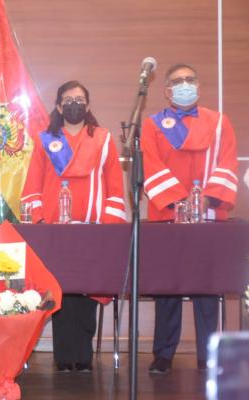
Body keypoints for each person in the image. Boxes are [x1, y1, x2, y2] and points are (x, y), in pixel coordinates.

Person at [20, 80, 127, 372]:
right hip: (55, 232)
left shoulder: (103, 139)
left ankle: (83, 356)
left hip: (93, 230)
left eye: (80, 99)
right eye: (68, 100)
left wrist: (107, 225)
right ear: (58, 106)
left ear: (88, 105)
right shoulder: (45, 139)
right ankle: (63, 358)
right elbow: (32, 186)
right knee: (61, 292)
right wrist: (40, 223)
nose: (74, 104)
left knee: (86, 291)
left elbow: (115, 186)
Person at [141, 63, 238, 373]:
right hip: (167, 216)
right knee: (167, 287)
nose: (185, 84)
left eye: (190, 79)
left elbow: (227, 164)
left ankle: (209, 354)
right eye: (178, 81)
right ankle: (163, 354)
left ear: (198, 84)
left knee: (207, 287)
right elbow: (152, 167)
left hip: (209, 216)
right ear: (167, 89)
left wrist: (204, 200)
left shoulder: (220, 122)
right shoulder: (152, 125)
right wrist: (180, 202)